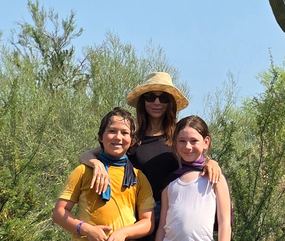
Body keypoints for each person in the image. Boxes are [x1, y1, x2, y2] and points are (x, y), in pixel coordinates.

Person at [79, 72, 221, 240]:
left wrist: (211, 162)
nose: (157, 102)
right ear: (142, 101)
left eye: (163, 98)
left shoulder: (178, 137)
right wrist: (97, 165)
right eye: (150, 96)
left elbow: (196, 158)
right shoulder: (132, 138)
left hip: (174, 213)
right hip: (139, 215)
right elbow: (86, 155)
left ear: (171, 103)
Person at [53, 107, 155, 241]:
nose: (118, 137)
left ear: (132, 140)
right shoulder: (83, 171)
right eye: (112, 131)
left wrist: (124, 233)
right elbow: (59, 213)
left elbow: (148, 222)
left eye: (124, 133)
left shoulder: (138, 177)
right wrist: (86, 229)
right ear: (101, 137)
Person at [155, 115, 231, 241]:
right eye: (182, 141)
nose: (188, 147)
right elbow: (162, 226)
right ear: (174, 142)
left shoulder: (215, 177)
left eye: (194, 141)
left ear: (206, 142)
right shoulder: (170, 182)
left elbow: (224, 223)